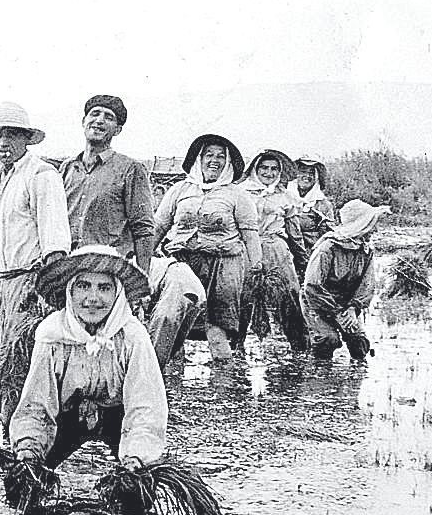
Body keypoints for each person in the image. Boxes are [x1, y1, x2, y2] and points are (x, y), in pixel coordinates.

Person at [9, 245, 166, 502]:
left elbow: (145, 407)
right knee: (26, 488)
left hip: (118, 416)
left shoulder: (133, 337)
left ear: (117, 293)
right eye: (83, 286)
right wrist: (29, 449)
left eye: (104, 288)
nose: (92, 298)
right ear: (70, 291)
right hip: (66, 415)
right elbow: (36, 404)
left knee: (138, 493)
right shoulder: (51, 335)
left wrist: (136, 457)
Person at [59, 95, 205, 370]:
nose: (99, 120)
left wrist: (143, 280)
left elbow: (144, 228)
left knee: (111, 343)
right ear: (83, 121)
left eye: (109, 117)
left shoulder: (130, 169)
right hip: (75, 268)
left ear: (118, 130)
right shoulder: (68, 168)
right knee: (72, 343)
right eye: (95, 114)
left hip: (111, 269)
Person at [0, 101, 71, 436]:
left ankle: (24, 443)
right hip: (8, 287)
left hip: (33, 286)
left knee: (19, 366)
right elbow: (0, 251)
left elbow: (56, 248)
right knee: (11, 366)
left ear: (26, 139)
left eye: (10, 134)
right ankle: (19, 439)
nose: (2, 142)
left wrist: (39, 295)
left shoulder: (41, 176)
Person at [152, 134, 262, 361]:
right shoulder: (180, 190)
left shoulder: (237, 195)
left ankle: (224, 387)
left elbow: (250, 235)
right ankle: (169, 388)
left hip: (221, 269)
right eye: (208, 155)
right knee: (173, 328)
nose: (214, 160)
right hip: (182, 265)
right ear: (198, 160)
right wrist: (144, 258)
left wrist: (256, 267)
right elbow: (159, 225)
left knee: (217, 333)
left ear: (228, 163)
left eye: (221, 156)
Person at [238, 149, 309, 351]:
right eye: (264, 168)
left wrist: (302, 259)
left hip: (275, 246)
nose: (268, 173)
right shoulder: (241, 192)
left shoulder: (285, 196)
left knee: (290, 295)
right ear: (255, 169)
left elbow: (294, 233)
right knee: (242, 297)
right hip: (246, 248)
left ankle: (300, 345)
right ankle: (236, 345)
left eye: (274, 169)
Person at [302, 199, 387, 361]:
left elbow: (366, 285)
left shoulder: (366, 250)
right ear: (360, 225)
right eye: (371, 224)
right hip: (318, 303)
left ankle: (355, 381)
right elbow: (312, 287)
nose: (375, 229)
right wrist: (336, 312)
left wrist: (353, 309)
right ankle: (320, 376)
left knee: (359, 344)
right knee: (328, 340)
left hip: (347, 305)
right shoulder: (327, 248)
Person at [288, 154, 337, 254]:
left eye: (311, 173)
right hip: (286, 253)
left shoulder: (323, 204)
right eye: (303, 171)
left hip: (310, 253)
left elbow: (328, 236)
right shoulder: (285, 198)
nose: (307, 176)